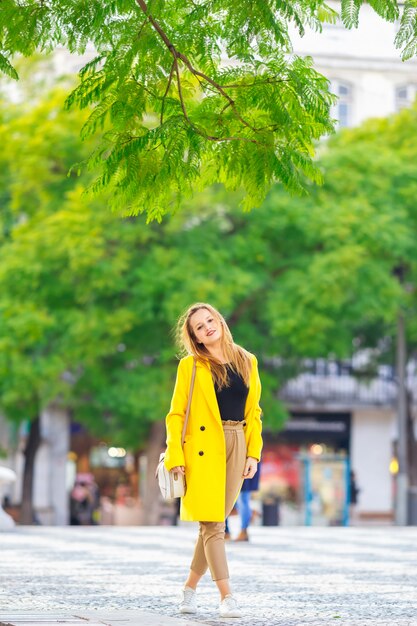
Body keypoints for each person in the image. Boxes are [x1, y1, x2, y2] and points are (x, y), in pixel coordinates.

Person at [164, 302, 263, 619]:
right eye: (199, 327)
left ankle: (188, 589)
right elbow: (176, 415)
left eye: (210, 320)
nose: (207, 326)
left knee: (211, 525)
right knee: (214, 524)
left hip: (236, 442)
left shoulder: (247, 360)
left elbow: (254, 412)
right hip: (204, 449)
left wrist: (253, 453)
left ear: (219, 321)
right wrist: (175, 456)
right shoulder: (191, 366)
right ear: (196, 338)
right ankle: (227, 596)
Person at [225, 462, 261, 542]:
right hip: (241, 465)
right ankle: (228, 531)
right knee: (241, 499)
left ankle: (242, 531)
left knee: (242, 499)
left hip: (243, 465)